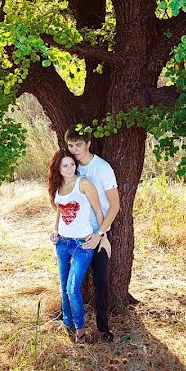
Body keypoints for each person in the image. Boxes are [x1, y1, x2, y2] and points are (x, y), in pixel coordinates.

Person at [65, 126, 119, 343]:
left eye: (78, 144)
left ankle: (103, 327)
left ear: (88, 143)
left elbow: (115, 206)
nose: (75, 149)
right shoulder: (71, 167)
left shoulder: (103, 169)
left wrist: (101, 233)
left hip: (98, 232)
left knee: (100, 279)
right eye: (71, 145)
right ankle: (72, 323)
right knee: (71, 281)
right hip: (76, 233)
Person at [47, 149, 106, 343]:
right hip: (62, 243)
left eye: (72, 164)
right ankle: (67, 323)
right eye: (65, 165)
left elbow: (98, 211)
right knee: (64, 285)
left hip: (83, 244)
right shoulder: (57, 186)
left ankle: (80, 331)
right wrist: (54, 230)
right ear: (58, 167)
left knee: (73, 288)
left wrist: (101, 235)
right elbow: (59, 210)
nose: (69, 168)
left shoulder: (84, 184)